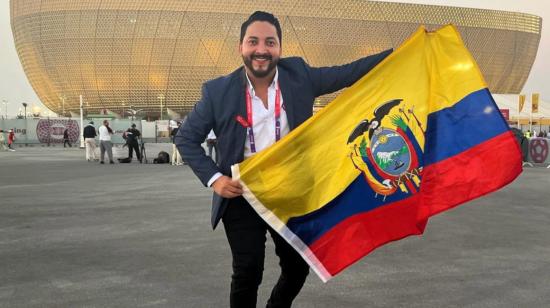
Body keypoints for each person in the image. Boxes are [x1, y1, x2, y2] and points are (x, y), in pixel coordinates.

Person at [176, 11, 391, 308]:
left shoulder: (299, 75)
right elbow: (185, 138)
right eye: (253, 41)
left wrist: (401, 53)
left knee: (297, 268)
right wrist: (216, 179)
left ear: (279, 48)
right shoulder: (218, 91)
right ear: (241, 47)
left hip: (290, 192)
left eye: (270, 42)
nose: (261, 49)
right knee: (247, 272)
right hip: (241, 193)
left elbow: (349, 72)